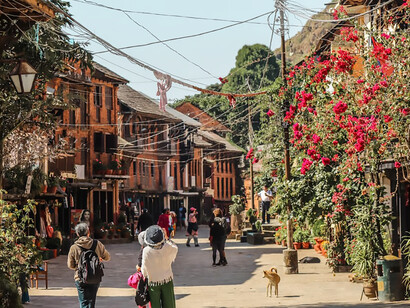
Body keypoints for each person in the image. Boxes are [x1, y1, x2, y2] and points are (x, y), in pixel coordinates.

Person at [67, 223, 111, 308]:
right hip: (95, 276)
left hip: (80, 277)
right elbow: (107, 257)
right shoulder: (97, 244)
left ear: (77, 234)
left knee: (83, 302)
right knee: (91, 302)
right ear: (88, 233)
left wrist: (79, 266)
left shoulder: (74, 247)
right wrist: (99, 258)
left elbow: (70, 265)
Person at [141, 225, 178, 308]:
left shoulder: (146, 251)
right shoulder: (167, 247)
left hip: (153, 281)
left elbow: (144, 269)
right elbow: (175, 248)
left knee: (155, 304)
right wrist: (167, 238)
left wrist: (146, 277)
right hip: (167, 280)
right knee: (169, 304)